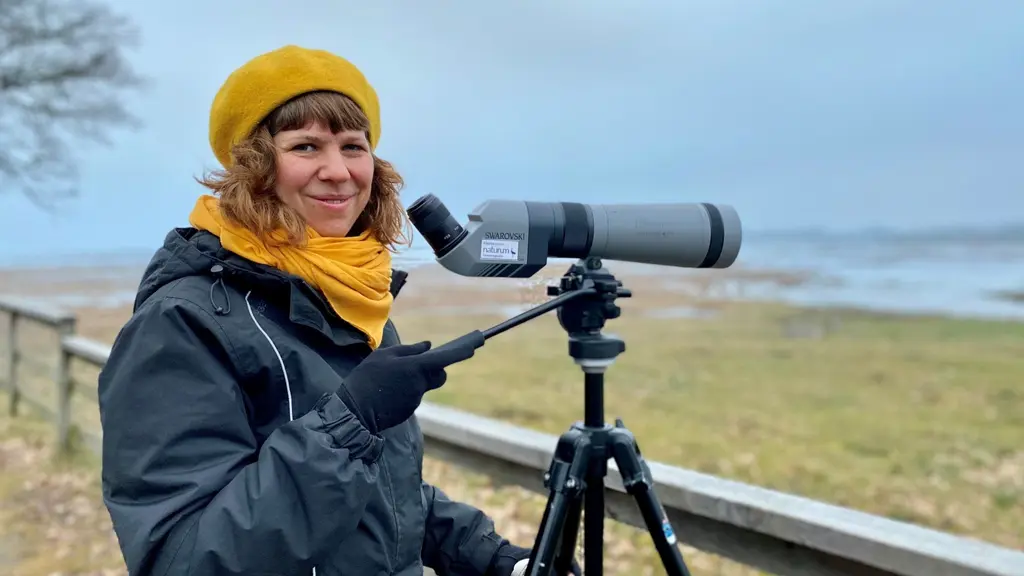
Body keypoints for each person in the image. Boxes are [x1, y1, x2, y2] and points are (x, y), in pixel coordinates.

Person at [96, 45, 581, 576]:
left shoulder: (349, 296)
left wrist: (493, 559)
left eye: (353, 146)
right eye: (306, 146)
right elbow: (186, 559)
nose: (338, 171)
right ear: (254, 166)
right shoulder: (182, 324)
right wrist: (350, 423)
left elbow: (378, 495)